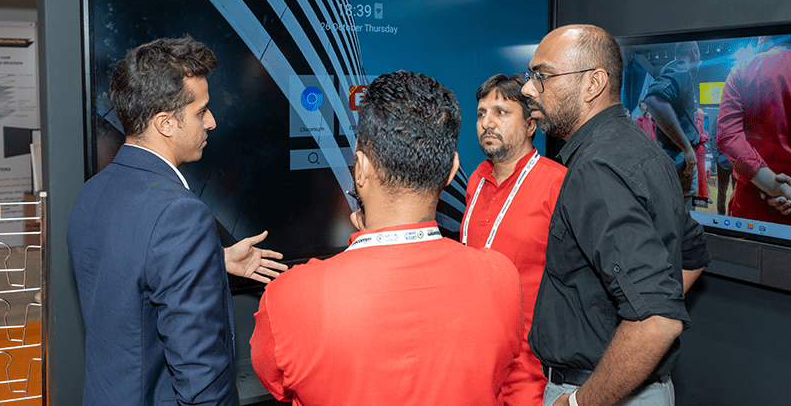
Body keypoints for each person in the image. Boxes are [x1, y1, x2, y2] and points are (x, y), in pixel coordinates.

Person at [250, 70, 525, 406]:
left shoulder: (287, 298)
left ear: (360, 168)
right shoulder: (503, 278)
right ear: (452, 170)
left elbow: (277, 383)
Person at [68, 36, 287, 405]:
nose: (212, 122)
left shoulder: (92, 192)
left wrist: (212, 259)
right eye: (201, 112)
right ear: (166, 123)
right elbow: (201, 381)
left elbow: (129, 276)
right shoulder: (181, 214)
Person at [521, 25, 711, 406]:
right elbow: (692, 255)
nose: (527, 89)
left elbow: (658, 319)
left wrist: (578, 402)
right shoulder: (641, 149)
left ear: (592, 84)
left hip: (600, 392)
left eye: (542, 76)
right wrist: (622, 328)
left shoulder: (597, 166)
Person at [462, 74, 566, 406]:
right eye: (481, 114)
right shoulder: (476, 180)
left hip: (531, 367)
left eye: (501, 112)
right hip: (476, 357)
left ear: (530, 124)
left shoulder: (558, 183)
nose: (487, 123)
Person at [715, 37, 791, 228]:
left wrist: (784, 191)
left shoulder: (742, 71)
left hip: (752, 208)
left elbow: (729, 138)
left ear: (763, 37)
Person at [643, 41, 702, 204]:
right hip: (679, 157)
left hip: (676, 156)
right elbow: (653, 101)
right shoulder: (681, 68)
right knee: (683, 212)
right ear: (693, 52)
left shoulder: (674, 69)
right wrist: (687, 148)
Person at [707, 117, 734, 215]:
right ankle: (721, 214)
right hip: (723, 160)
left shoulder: (737, 114)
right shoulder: (719, 116)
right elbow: (712, 136)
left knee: (737, 191)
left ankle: (733, 213)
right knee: (722, 190)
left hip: (737, 161)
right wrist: (717, 157)